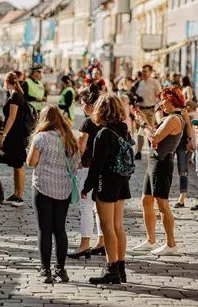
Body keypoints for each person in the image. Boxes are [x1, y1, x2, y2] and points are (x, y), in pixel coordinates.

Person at [81, 94, 132, 284]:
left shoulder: (103, 134)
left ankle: (111, 268)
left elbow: (97, 165)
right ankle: (121, 268)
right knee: (118, 225)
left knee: (107, 226)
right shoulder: (124, 129)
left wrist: (87, 186)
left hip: (107, 182)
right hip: (121, 181)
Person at [27, 105, 81, 283]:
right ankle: (61, 269)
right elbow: (76, 164)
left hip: (42, 186)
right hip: (63, 188)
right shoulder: (70, 138)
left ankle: (45, 270)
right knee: (60, 229)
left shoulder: (40, 138)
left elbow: (31, 162)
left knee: (44, 229)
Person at [134, 85, 186, 255]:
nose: (161, 103)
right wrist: (145, 122)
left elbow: (155, 138)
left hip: (162, 163)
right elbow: (153, 134)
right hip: (154, 161)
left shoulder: (174, 119)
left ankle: (171, 244)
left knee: (162, 204)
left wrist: (143, 123)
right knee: (146, 201)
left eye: (163, 99)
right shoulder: (169, 117)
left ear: (171, 99)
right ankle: (151, 240)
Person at [68, 85, 105, 260]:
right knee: (99, 207)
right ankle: (102, 242)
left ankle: (84, 244)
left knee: (86, 207)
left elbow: (81, 148)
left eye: (83, 104)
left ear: (90, 105)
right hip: (105, 169)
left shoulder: (89, 122)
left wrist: (74, 164)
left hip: (88, 167)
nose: (82, 107)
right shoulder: (108, 120)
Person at [0, 72, 27, 207]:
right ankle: (16, 194)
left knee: (19, 165)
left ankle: (20, 196)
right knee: (16, 166)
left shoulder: (16, 95)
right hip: (16, 134)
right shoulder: (16, 94)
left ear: (7, 82)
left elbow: (12, 117)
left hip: (16, 135)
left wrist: (3, 135)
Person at [135, 64, 162, 160]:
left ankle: (152, 151)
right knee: (140, 132)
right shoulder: (140, 83)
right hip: (141, 109)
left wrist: (158, 109)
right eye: (143, 71)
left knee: (149, 131)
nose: (144, 73)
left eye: (145, 71)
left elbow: (160, 96)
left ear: (150, 72)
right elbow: (137, 94)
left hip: (150, 110)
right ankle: (138, 152)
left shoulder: (155, 82)